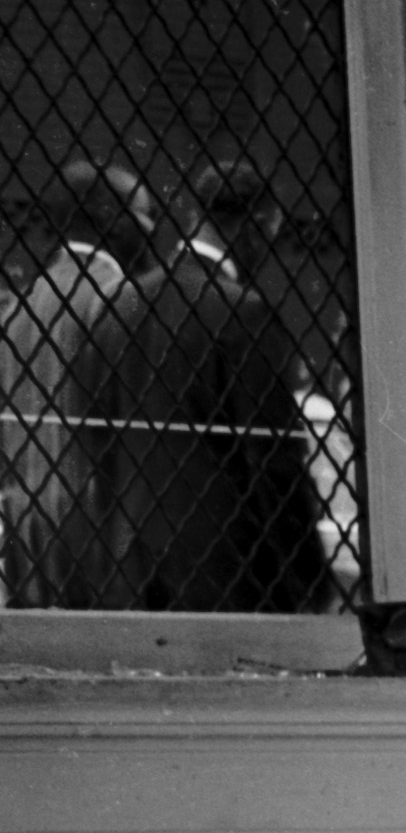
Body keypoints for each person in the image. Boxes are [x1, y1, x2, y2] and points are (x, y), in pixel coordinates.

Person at [67, 165, 331, 612]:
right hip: (226, 578)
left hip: (127, 571)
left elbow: (94, 439)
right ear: (257, 225)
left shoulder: (119, 305)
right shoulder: (243, 313)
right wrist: (309, 580)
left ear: (196, 216)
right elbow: (273, 460)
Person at [1, 163, 154, 605]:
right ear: (111, 219)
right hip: (99, 540)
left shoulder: (20, 306)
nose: (150, 233)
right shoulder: (121, 299)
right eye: (143, 219)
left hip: (23, 536)